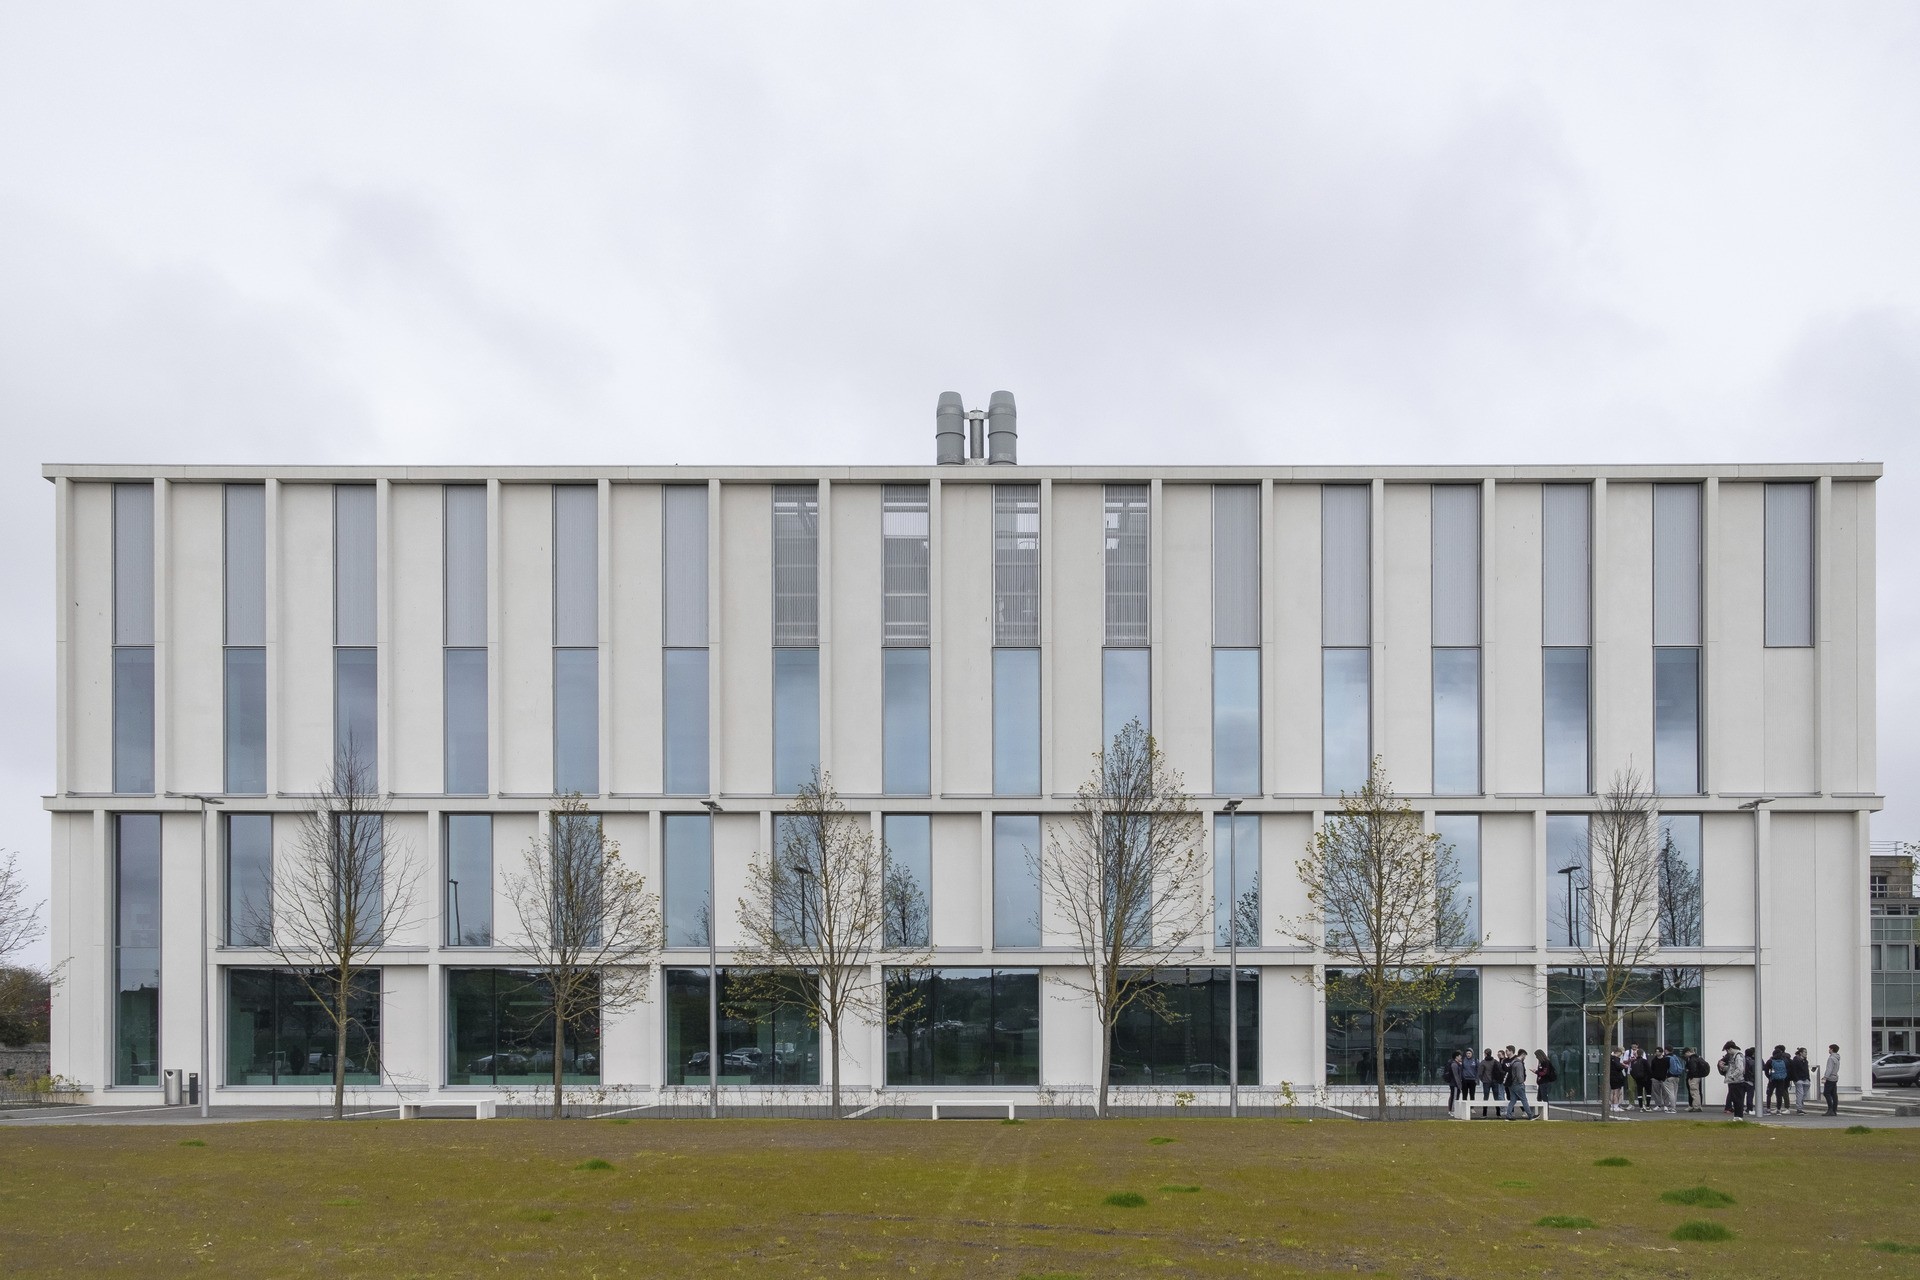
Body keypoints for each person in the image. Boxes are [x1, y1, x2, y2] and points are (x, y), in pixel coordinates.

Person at [1718, 1040, 1747, 1118]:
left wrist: (1732, 1076)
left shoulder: (1738, 1056)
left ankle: (1739, 1116)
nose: (1727, 1053)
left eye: (1727, 1050)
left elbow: (1740, 1069)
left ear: (1730, 1049)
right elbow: (1733, 1068)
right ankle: (1737, 1116)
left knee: (1738, 1100)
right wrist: (1723, 1067)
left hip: (1737, 1081)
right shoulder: (1735, 1056)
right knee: (1735, 1100)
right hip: (1735, 1081)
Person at [1506, 1048, 1536, 1120]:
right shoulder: (1519, 1064)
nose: (1525, 1058)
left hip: (1511, 1084)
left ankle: (1508, 1115)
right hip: (1518, 1085)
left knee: (1513, 1100)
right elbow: (1519, 1076)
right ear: (1523, 1054)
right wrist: (1521, 1083)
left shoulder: (1513, 1062)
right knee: (1524, 1100)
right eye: (1525, 1056)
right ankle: (1530, 1115)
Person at [1765, 1045, 1791, 1115]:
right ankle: (1779, 1110)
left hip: (1773, 1079)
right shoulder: (1784, 1061)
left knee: (1769, 1094)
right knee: (1779, 1095)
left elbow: (1766, 1070)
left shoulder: (1770, 1061)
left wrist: (1769, 1076)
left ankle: (1768, 1109)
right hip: (1781, 1080)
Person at [1648, 1045, 1673, 1112]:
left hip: (1664, 1078)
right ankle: (1658, 1105)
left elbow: (1669, 1068)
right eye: (1656, 1052)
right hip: (1655, 1078)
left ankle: (1666, 1105)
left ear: (1661, 1052)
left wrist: (1667, 1076)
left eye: (1658, 1052)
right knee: (1656, 1092)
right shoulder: (1654, 1060)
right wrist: (1652, 1077)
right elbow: (1652, 1069)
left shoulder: (1666, 1059)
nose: (1656, 1053)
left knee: (1665, 1093)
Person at [1684, 1047, 1710, 1112]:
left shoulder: (1692, 1059)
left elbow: (1693, 1069)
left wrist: (1689, 1072)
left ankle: (1696, 1106)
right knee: (1697, 1092)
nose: (1685, 1055)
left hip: (1693, 1077)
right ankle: (1698, 1105)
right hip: (1698, 1077)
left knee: (1694, 1092)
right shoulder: (1698, 1057)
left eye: (1685, 1054)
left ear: (1688, 1052)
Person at [1789, 1047, 1812, 1114]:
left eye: (1806, 1052)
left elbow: (1806, 1070)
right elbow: (1794, 1070)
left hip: (1805, 1079)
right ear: (1800, 1053)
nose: (1806, 1054)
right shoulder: (1796, 1060)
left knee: (1803, 1093)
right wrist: (1796, 1079)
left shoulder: (1805, 1061)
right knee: (1800, 1093)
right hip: (1798, 1079)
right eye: (1805, 1052)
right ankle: (1799, 1108)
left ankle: (1800, 1104)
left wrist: (1808, 1078)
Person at [1629, 1045, 1652, 1110]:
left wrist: (1635, 1077)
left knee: (1639, 1092)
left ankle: (1641, 1107)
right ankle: (1647, 1106)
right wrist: (1650, 1077)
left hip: (1638, 1079)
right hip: (1646, 1079)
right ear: (1642, 1054)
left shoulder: (1633, 1062)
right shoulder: (1644, 1061)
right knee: (1648, 1092)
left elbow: (1631, 1071)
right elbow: (1649, 1070)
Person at [1823, 1044, 1841, 1116]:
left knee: (1826, 1093)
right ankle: (1834, 1110)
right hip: (1835, 1077)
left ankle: (1830, 1109)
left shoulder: (1831, 1058)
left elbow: (1829, 1069)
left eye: (1829, 1049)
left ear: (1832, 1049)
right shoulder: (1837, 1058)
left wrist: (1825, 1077)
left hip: (1830, 1078)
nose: (1829, 1050)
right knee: (1834, 1094)